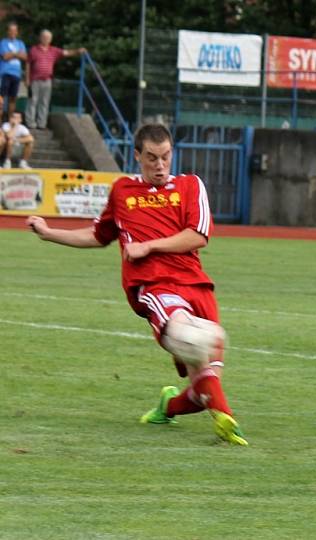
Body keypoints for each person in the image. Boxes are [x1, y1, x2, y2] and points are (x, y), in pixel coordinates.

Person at [25, 124, 247, 446]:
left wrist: (149, 245)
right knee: (192, 336)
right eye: (152, 158)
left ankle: (167, 406)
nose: (159, 165)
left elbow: (198, 236)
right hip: (154, 285)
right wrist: (50, 233)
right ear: (137, 156)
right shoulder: (123, 191)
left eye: (165, 157)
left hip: (197, 285)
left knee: (203, 390)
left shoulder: (190, 185)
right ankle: (228, 422)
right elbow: (98, 236)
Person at [25, 29, 86, 129]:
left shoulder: (53, 50)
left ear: (50, 40)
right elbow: (27, 64)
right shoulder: (34, 50)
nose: (46, 39)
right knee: (33, 101)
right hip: (35, 80)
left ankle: (42, 123)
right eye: (44, 37)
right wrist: (27, 79)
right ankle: (30, 123)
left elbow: (66, 53)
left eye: (48, 38)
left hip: (47, 80)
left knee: (44, 102)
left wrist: (78, 51)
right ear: (40, 38)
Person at [0, 22, 27, 118]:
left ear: (17, 32)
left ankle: (10, 122)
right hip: (5, 73)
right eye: (11, 30)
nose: (13, 32)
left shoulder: (20, 43)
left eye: (15, 31)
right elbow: (5, 57)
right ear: (8, 31)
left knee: (13, 98)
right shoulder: (3, 42)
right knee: (1, 98)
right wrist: (17, 53)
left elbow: (24, 57)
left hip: (16, 74)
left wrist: (12, 54)